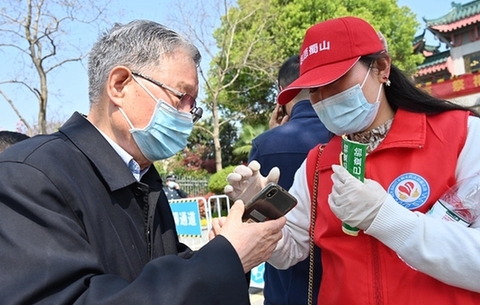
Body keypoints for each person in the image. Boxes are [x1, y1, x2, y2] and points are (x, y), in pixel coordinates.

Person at [0, 20, 286, 305]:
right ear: (119, 85)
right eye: (180, 97)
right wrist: (225, 258)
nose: (188, 115)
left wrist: (231, 240)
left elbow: (159, 276)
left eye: (193, 105)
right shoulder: (28, 175)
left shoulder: (143, 179)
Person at [225, 16, 480, 304]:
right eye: (314, 89)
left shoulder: (461, 135)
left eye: (334, 81)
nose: (323, 99)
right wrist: (260, 210)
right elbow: (289, 251)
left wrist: (386, 219)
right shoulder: (317, 162)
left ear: (382, 67)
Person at [248, 55, 330, 305]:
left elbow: (254, 220)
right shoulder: (349, 136)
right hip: (342, 287)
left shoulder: (265, 145)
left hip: (286, 288)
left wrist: (272, 136)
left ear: (282, 94)